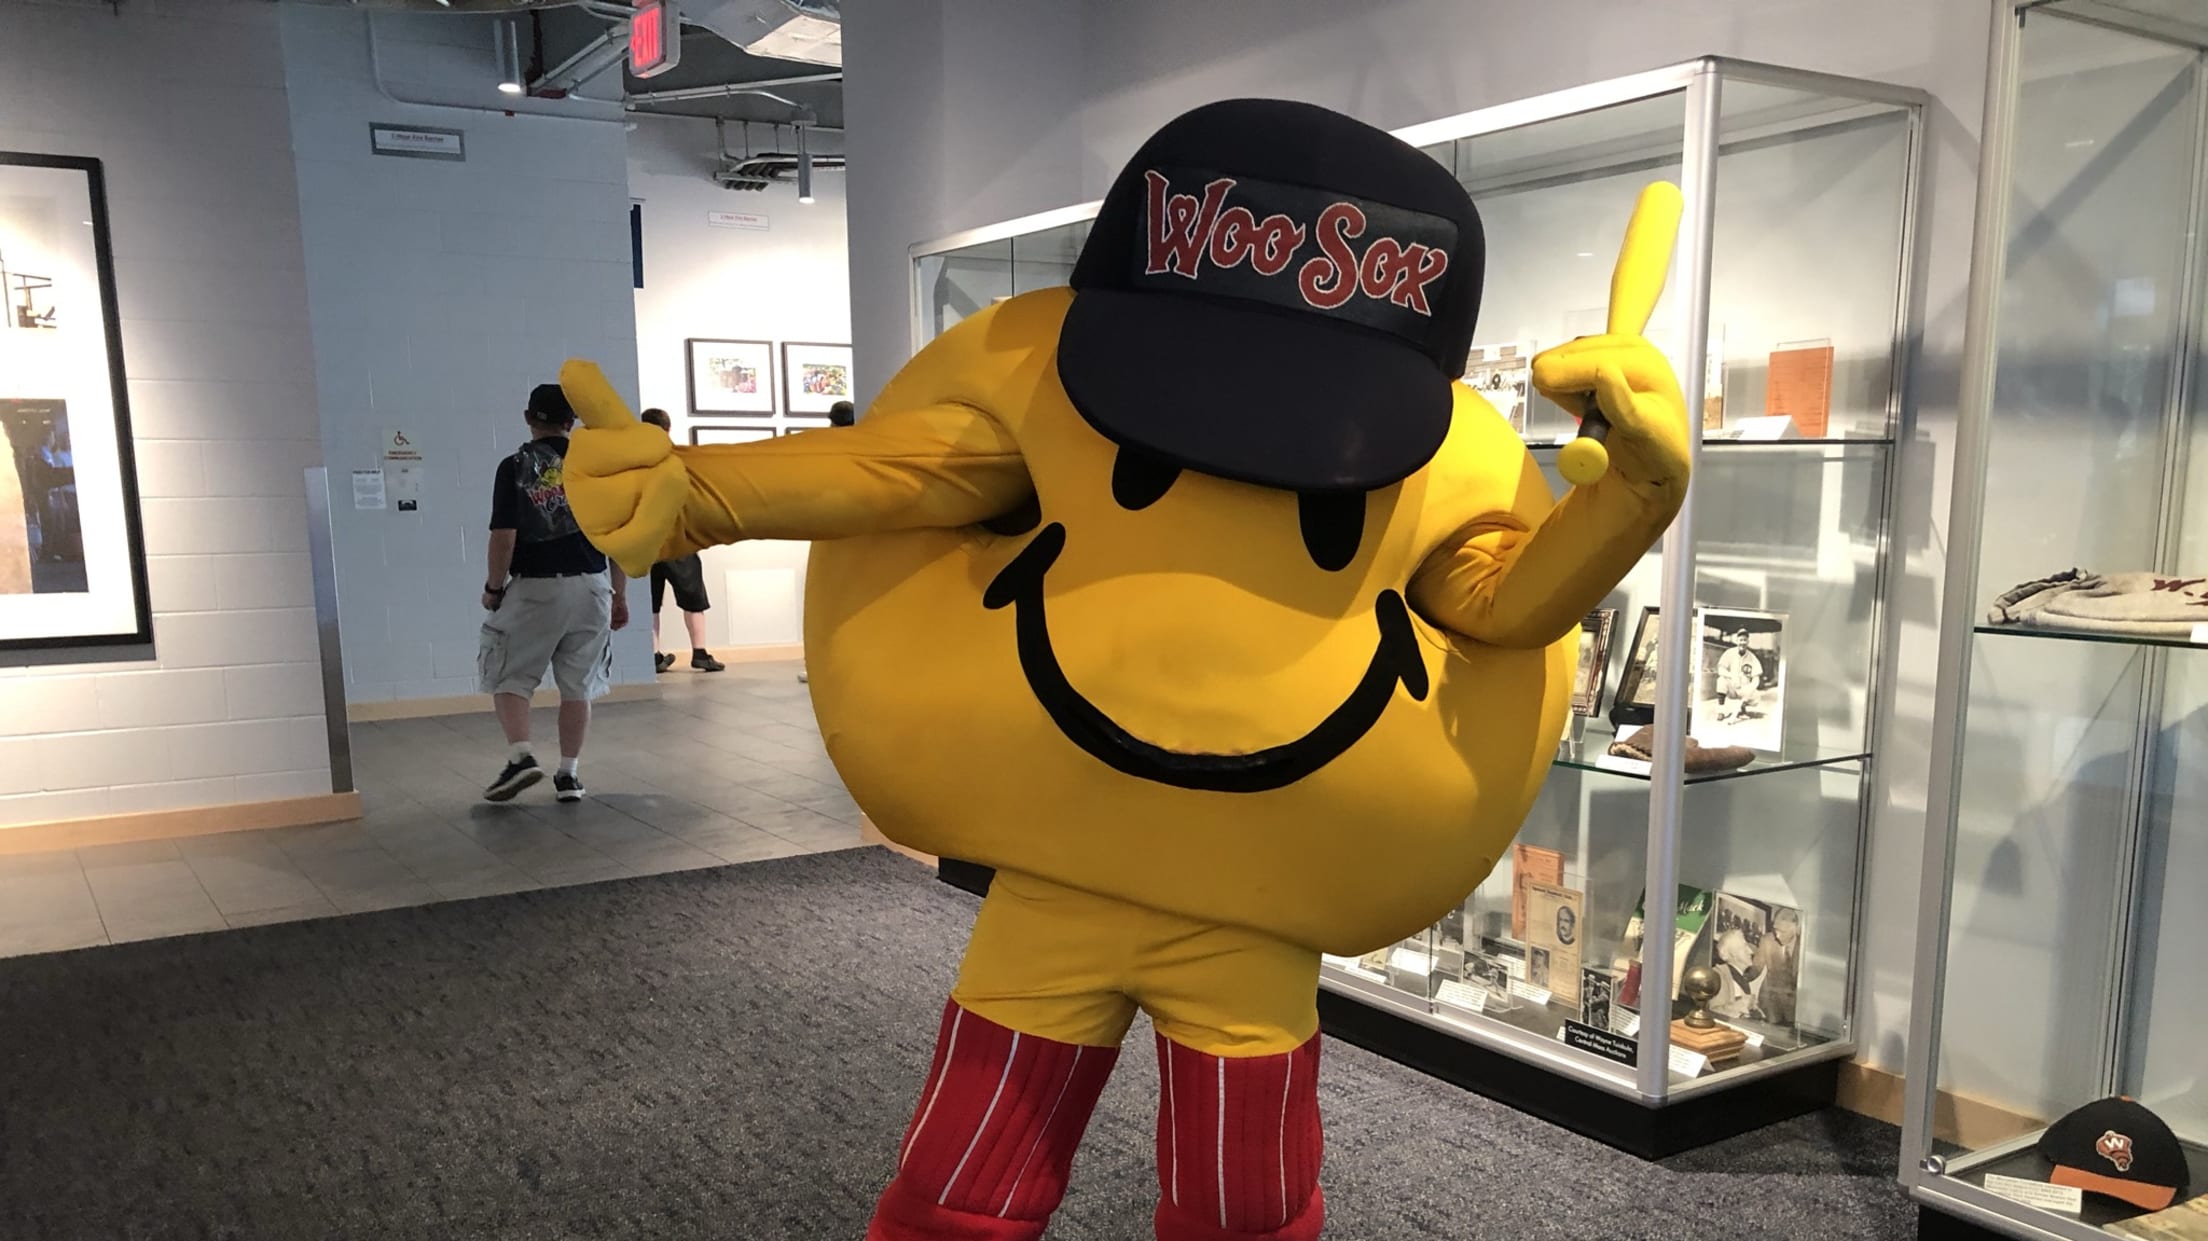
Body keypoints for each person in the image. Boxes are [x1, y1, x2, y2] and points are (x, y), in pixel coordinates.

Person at [479, 383, 627, 803]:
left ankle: (521, 755)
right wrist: (619, 593)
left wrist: (494, 587)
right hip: (593, 586)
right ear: (571, 422)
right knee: (578, 685)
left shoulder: (514, 467)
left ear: (529, 418)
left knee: (509, 675)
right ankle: (569, 775)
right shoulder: (597, 469)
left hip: (537, 588)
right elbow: (617, 536)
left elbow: (503, 536)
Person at [636, 408, 725, 674]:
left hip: (646, 541)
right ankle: (700, 653)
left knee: (650, 601)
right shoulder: (677, 459)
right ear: (667, 429)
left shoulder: (634, 462)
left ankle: (653, 656)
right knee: (693, 598)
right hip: (678, 539)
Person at [797, 399, 857, 686]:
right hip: (858, 535)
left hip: (830, 534)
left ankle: (820, 667)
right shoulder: (862, 448)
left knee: (827, 605)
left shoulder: (825, 450)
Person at [1712, 626, 1763, 723]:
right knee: (1721, 681)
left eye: (1745, 640)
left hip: (1744, 689)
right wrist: (1732, 676)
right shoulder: (1729, 653)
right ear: (1737, 641)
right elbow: (1721, 670)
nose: (1742, 642)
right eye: (1741, 640)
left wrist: (1750, 688)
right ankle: (1721, 711)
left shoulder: (1752, 657)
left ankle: (1743, 709)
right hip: (1732, 686)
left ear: (1748, 642)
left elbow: (1756, 679)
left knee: (1757, 696)